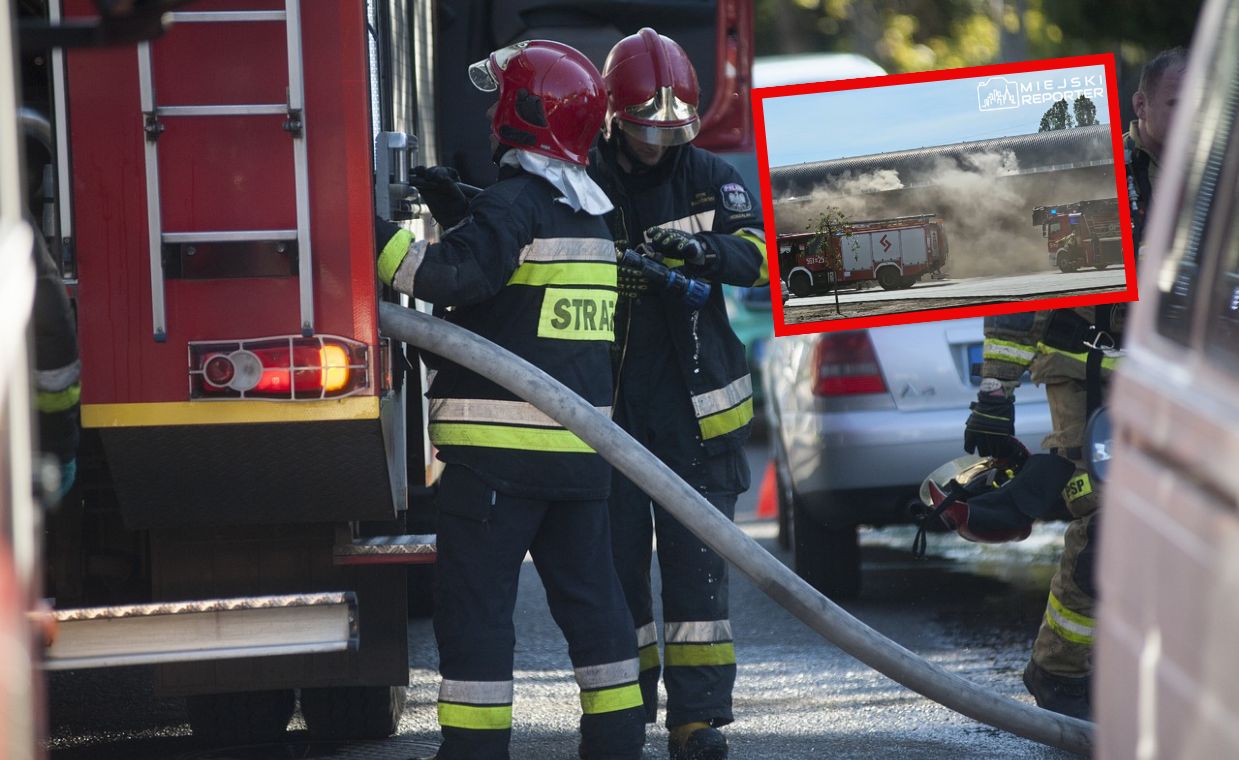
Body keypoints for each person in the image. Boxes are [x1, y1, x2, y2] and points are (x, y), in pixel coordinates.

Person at [374, 40, 645, 760]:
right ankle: (617, 743)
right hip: (579, 459)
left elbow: (454, 279)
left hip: (498, 462)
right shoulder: (588, 214)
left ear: (522, 111)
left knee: (476, 615)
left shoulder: (517, 202)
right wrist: (463, 205)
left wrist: (365, 237)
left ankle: (472, 752)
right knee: (596, 612)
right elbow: (523, 295)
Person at [965, 47, 1187, 721]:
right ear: (1139, 107)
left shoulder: (1210, 183)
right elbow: (1021, 289)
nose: (1189, 120)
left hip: (1176, 382)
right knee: (1102, 521)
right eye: (1175, 106)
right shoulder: (1090, 178)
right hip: (1084, 370)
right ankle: (1057, 673)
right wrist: (994, 394)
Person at [588, 28, 768, 760]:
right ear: (612, 116)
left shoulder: (711, 176)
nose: (656, 145)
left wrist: (706, 251)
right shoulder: (583, 179)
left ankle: (697, 723)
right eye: (643, 129)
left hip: (698, 420)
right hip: (610, 416)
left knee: (697, 585)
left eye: (669, 130)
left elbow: (758, 254)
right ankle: (625, 718)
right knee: (617, 580)